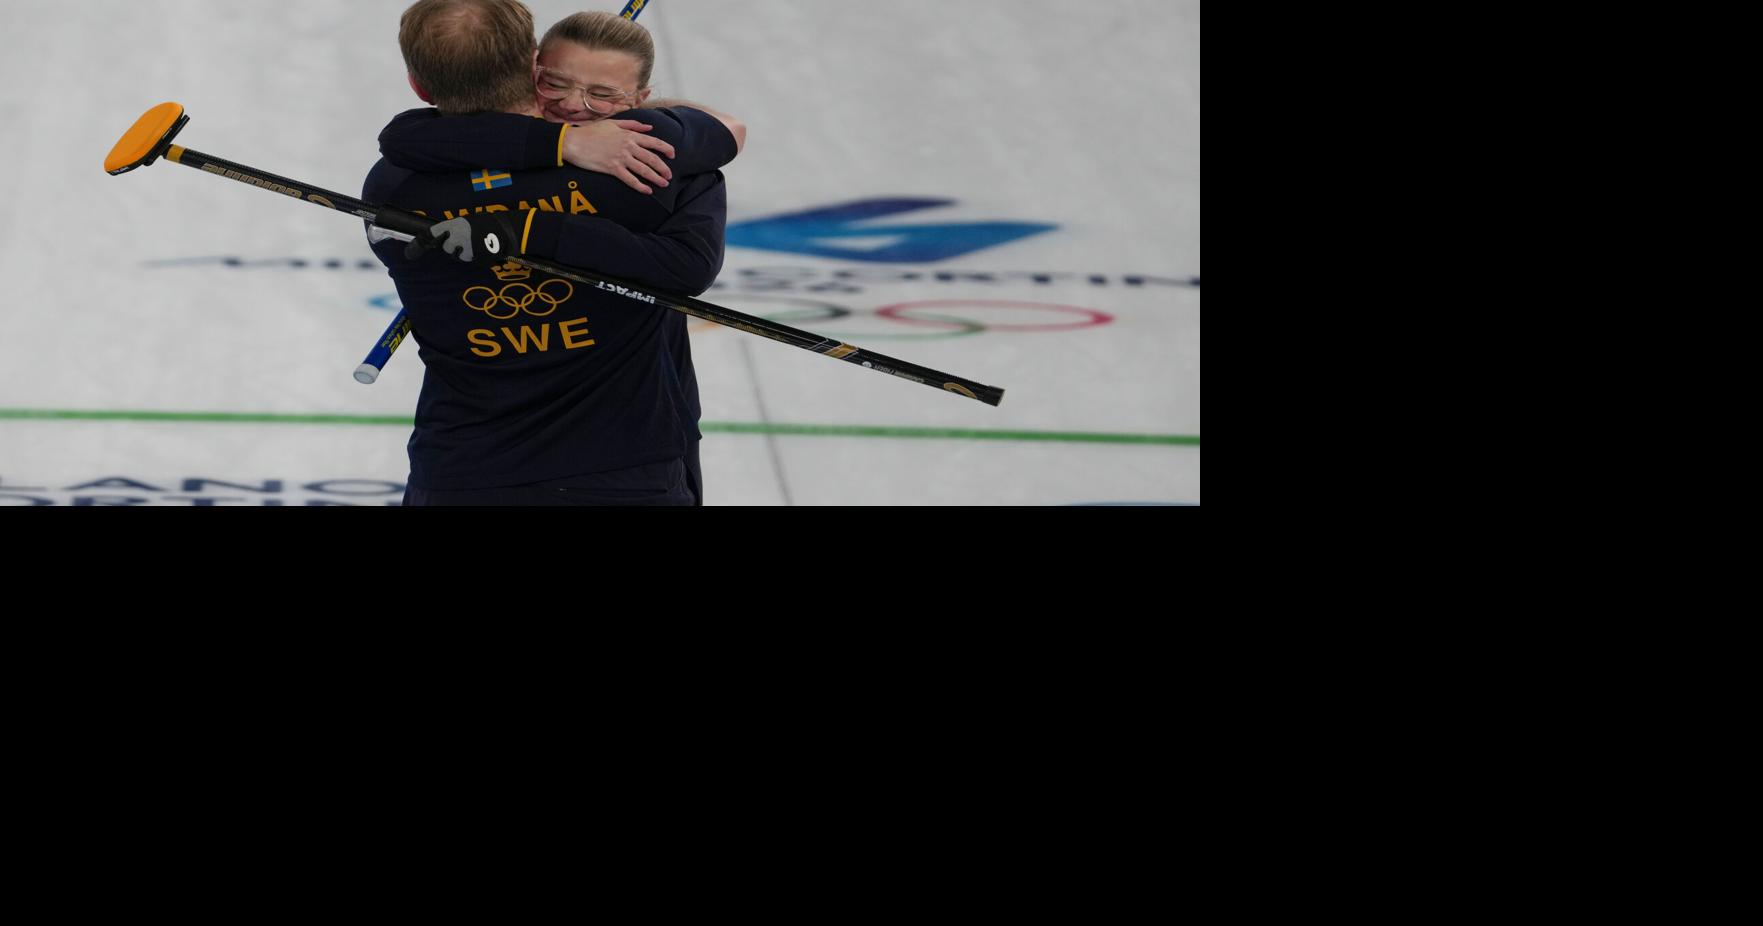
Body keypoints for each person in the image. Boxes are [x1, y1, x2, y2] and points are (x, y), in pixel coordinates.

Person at [364, 1, 741, 505]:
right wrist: (599, 125)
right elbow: (725, 131)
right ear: (534, 63)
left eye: (600, 94)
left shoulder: (393, 186)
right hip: (626, 471)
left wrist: (554, 154)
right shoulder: (647, 163)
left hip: (463, 472)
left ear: (418, 85)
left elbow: (403, 136)